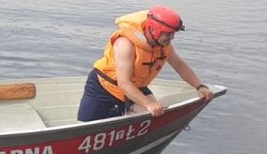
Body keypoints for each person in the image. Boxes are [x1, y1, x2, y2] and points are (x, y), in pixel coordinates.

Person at [77, 6, 213, 122]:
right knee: (85, 129)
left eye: (173, 34)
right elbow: (123, 83)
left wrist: (199, 86)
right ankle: (116, 115)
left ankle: (125, 120)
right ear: (154, 29)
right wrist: (148, 104)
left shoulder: (163, 44)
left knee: (157, 114)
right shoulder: (125, 44)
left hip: (136, 87)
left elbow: (179, 65)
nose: (171, 38)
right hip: (105, 88)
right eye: (168, 34)